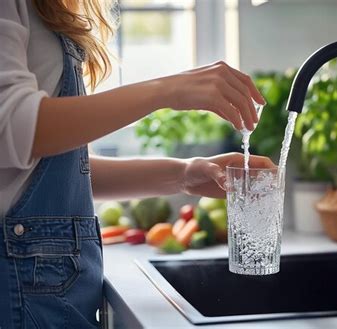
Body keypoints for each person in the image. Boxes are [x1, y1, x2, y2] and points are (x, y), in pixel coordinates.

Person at [0, 1, 276, 328]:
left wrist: (185, 174)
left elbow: (62, 170)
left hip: (49, 288)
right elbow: (15, 127)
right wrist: (166, 89)